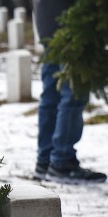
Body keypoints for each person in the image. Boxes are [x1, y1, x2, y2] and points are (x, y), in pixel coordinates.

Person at [33, 0, 106, 184]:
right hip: (70, 23)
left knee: (52, 94)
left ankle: (46, 160)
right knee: (72, 94)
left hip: (48, 21)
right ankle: (61, 162)